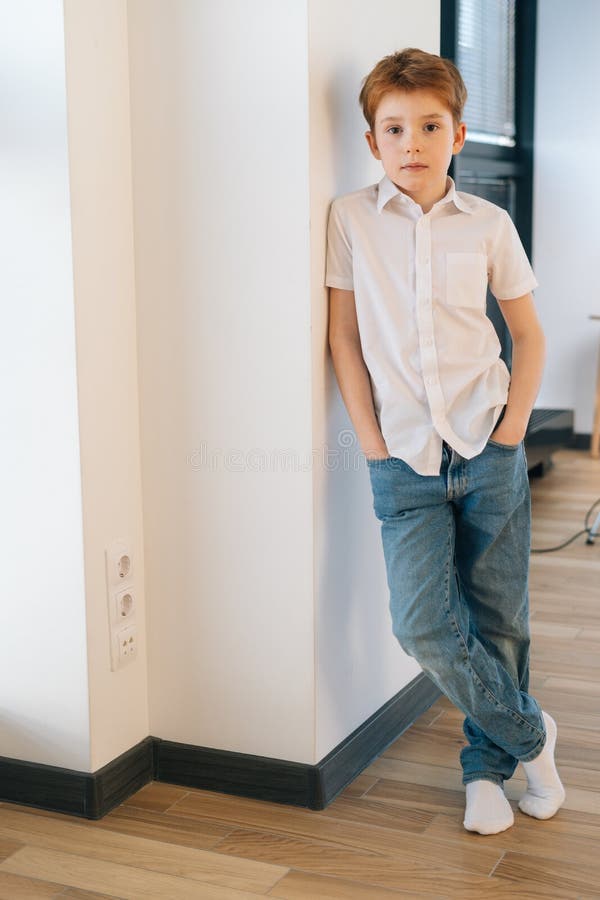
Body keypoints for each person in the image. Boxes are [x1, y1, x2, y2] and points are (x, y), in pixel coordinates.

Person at [326, 47, 565, 835]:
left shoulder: (488, 225)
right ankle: (532, 734)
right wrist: (371, 447)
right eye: (394, 129)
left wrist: (510, 433)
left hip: (487, 448)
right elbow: (344, 342)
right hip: (402, 462)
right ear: (373, 142)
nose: (412, 143)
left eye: (430, 125)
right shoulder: (351, 219)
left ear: (458, 132)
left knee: (498, 617)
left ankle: (486, 771)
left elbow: (527, 337)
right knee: (422, 622)